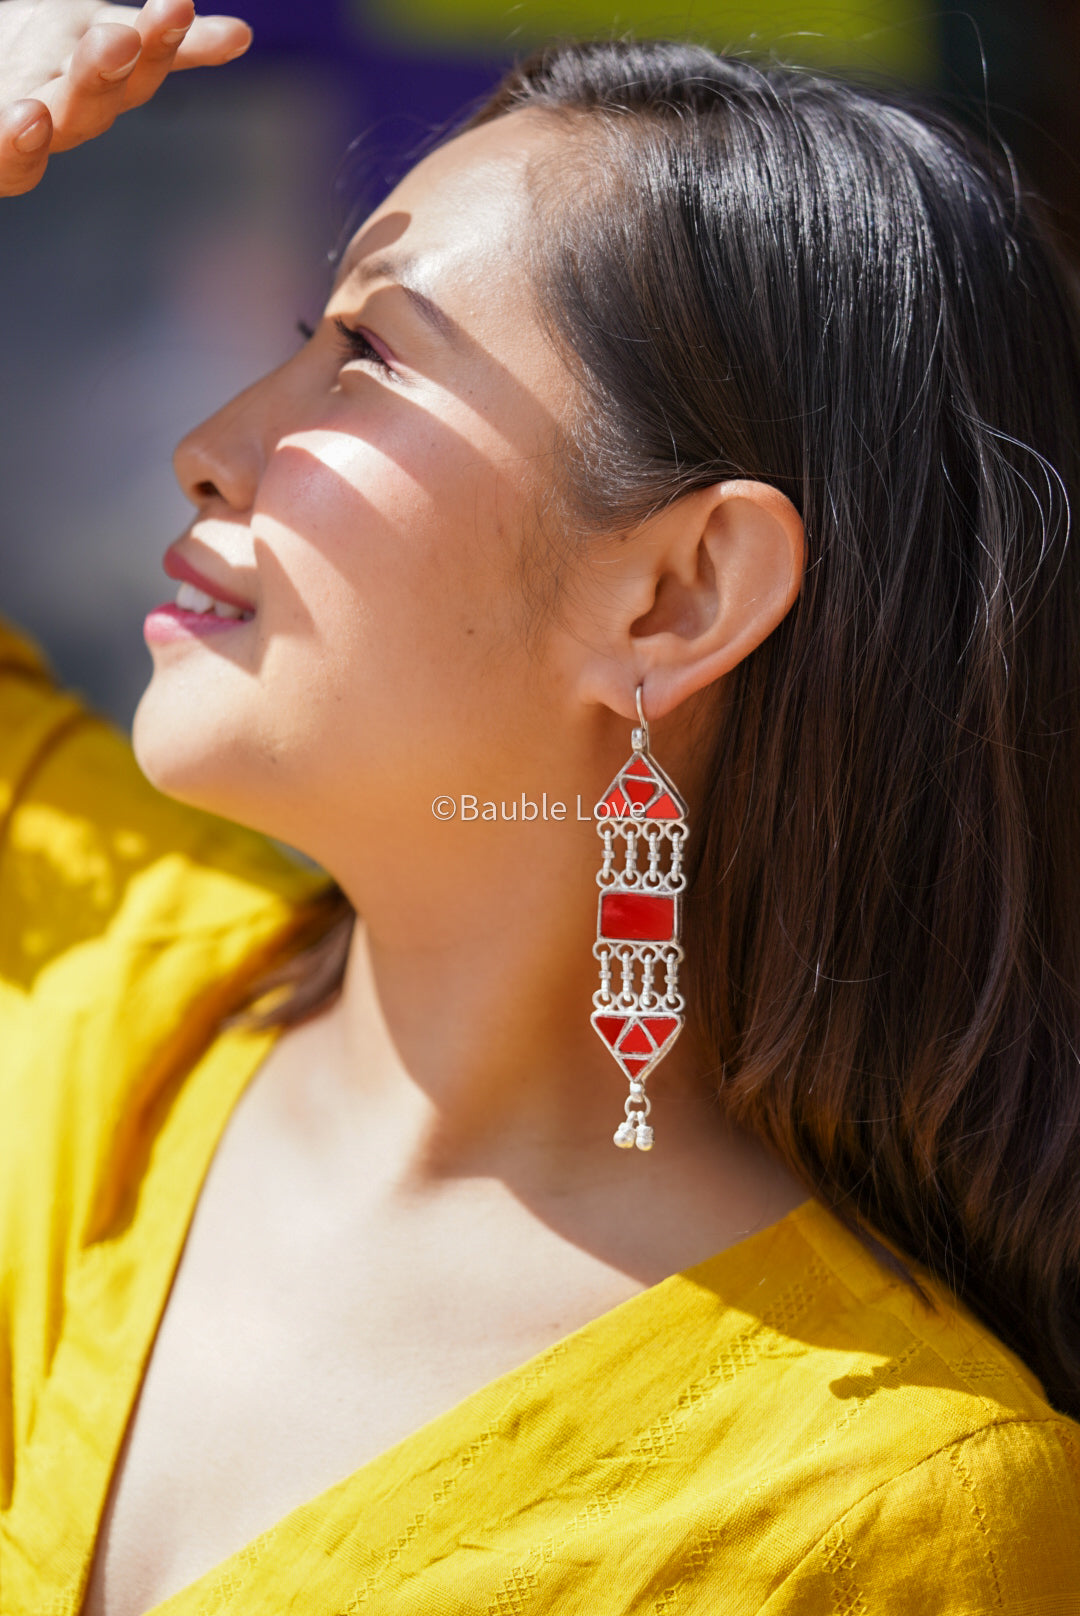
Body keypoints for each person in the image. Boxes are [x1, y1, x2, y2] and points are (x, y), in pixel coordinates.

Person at [3, 3, 1080, 1612]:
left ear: (679, 594)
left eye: (364, 357)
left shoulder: (880, 1505)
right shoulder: (99, 971)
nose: (212, 448)